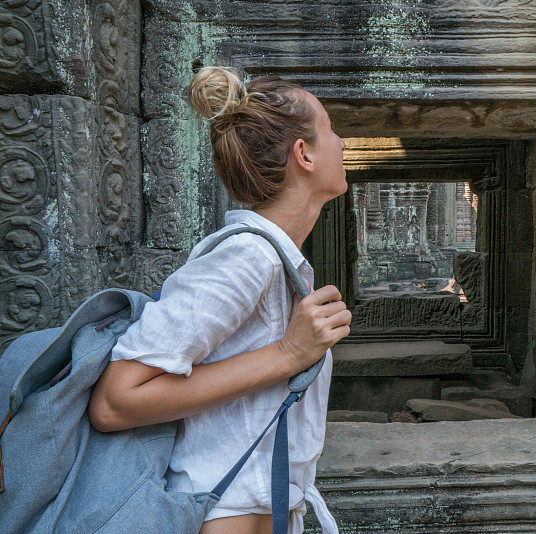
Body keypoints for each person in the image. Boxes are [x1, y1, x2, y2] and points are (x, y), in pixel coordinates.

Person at [87, 65, 351, 533]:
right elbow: (114, 401)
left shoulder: (278, 264)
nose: (343, 143)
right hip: (222, 518)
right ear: (303, 154)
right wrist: (288, 354)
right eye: (331, 130)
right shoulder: (247, 258)